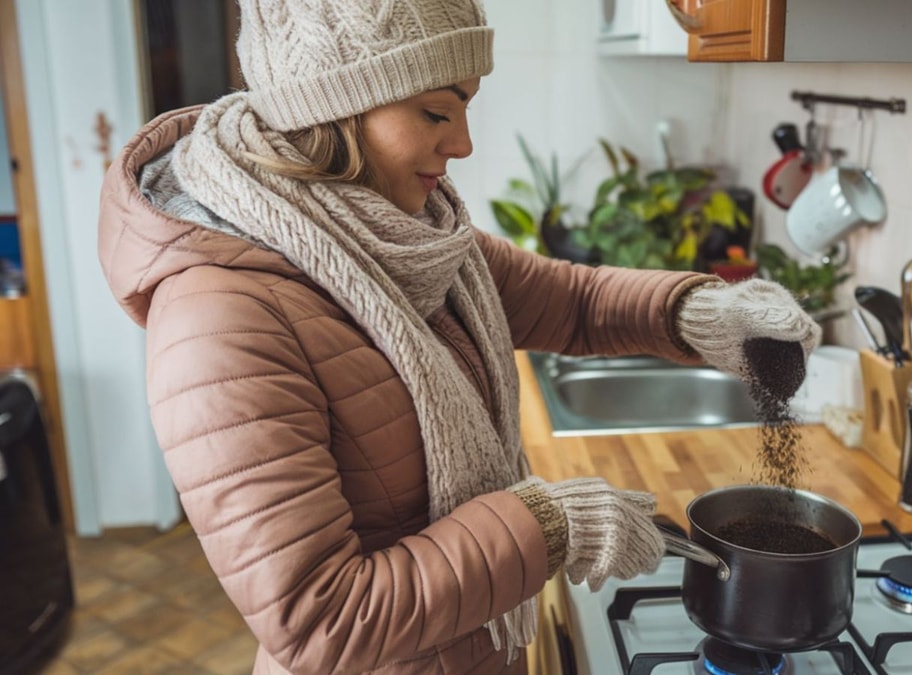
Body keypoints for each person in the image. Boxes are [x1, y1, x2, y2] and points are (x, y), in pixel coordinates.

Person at [97, 1, 820, 673]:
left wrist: (697, 313)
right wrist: (549, 525)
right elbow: (319, 618)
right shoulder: (220, 318)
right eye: (437, 111)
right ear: (336, 110)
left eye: (465, 107)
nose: (465, 144)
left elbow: (568, 301)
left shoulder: (407, 234)